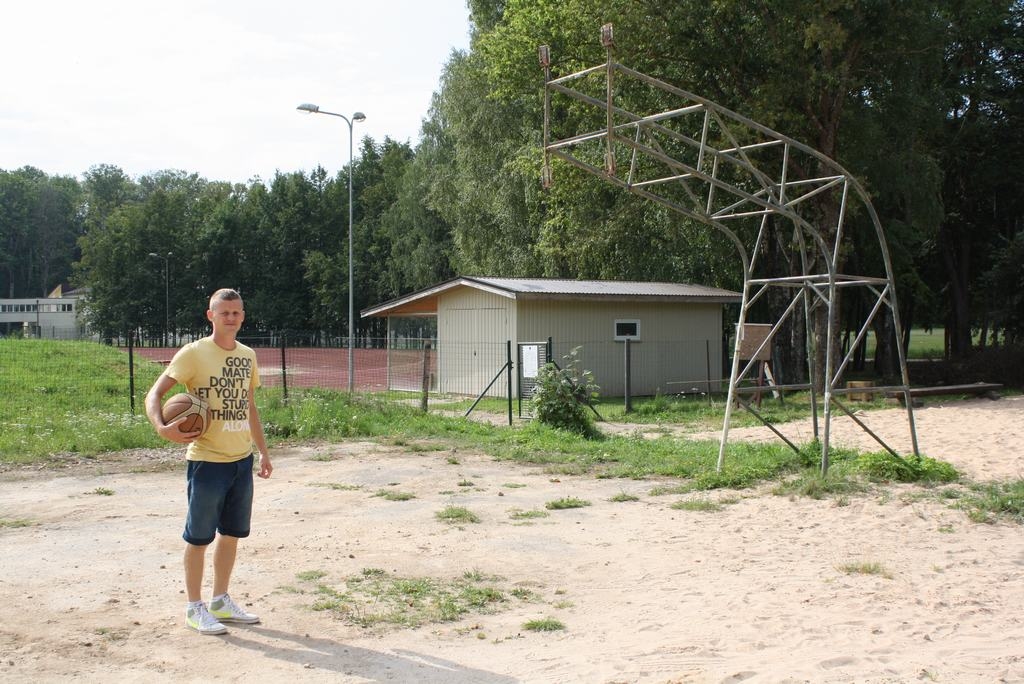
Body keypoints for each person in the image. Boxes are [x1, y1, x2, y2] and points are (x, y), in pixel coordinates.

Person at [145, 288, 273, 635]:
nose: (231, 317)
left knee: (231, 535)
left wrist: (262, 451)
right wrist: (161, 427)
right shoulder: (194, 353)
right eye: (224, 312)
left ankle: (220, 601)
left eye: (236, 312)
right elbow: (154, 393)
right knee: (199, 538)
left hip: (241, 461)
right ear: (211, 316)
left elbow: (249, 406)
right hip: (207, 462)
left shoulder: (247, 355)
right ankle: (194, 607)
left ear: (242, 316)